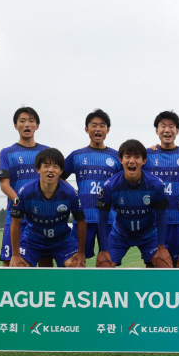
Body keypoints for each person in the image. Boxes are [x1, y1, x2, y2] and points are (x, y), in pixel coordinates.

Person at [96, 140, 172, 268]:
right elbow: (102, 220)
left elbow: (162, 217)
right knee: (103, 265)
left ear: (144, 161)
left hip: (149, 234)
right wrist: (103, 251)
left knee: (164, 265)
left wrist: (161, 247)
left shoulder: (156, 184)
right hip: (120, 234)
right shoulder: (110, 186)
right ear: (120, 160)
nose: (132, 161)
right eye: (127, 157)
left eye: (137, 157)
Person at [8, 148, 86, 268]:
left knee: (77, 266)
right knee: (19, 268)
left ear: (60, 171)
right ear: (38, 169)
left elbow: (81, 222)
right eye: (46, 166)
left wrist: (80, 252)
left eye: (55, 166)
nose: (51, 170)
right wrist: (15, 254)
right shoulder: (25, 192)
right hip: (33, 239)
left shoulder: (70, 193)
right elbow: (15, 222)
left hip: (62, 240)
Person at [0, 107, 52, 267]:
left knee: (45, 264)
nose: (27, 124)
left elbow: (56, 180)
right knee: (10, 263)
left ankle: (45, 293)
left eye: (31, 121)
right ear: (15, 125)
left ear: (37, 126)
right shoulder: (6, 153)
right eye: (22, 121)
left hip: (43, 217)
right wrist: (21, 203)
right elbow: (4, 185)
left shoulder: (46, 152)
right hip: (15, 217)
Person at [62, 109, 121, 263]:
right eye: (94, 125)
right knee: (77, 261)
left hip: (109, 218)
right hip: (83, 218)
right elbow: (59, 176)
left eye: (102, 125)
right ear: (87, 129)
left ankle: (105, 288)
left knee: (107, 262)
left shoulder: (116, 156)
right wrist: (73, 192)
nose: (98, 129)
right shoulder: (77, 155)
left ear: (107, 130)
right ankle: (79, 288)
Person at [143, 111, 179, 264]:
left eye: (171, 126)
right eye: (163, 126)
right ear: (157, 130)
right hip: (154, 224)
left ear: (177, 131)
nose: (167, 130)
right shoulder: (147, 155)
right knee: (156, 267)